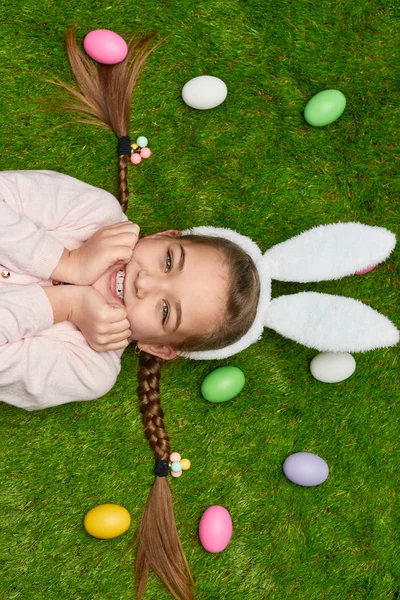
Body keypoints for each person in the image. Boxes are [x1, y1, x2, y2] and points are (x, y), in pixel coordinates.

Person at [1, 29, 397, 600]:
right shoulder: (95, 216)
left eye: (164, 308)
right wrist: (64, 258)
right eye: (168, 259)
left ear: (159, 347)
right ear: (163, 235)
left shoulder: (88, 368)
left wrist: (63, 301)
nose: (143, 279)